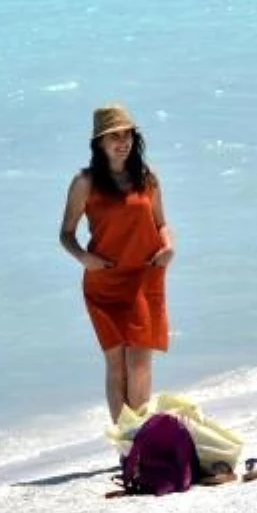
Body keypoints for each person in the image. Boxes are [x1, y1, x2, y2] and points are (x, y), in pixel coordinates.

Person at [60, 105, 175, 423]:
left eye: (126, 135)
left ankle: (140, 439)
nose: (121, 142)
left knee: (139, 362)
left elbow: (161, 223)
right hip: (105, 280)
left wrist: (169, 246)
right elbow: (66, 234)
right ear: (99, 142)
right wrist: (83, 257)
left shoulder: (146, 178)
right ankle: (126, 446)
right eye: (113, 136)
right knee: (116, 365)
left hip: (144, 276)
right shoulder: (84, 182)